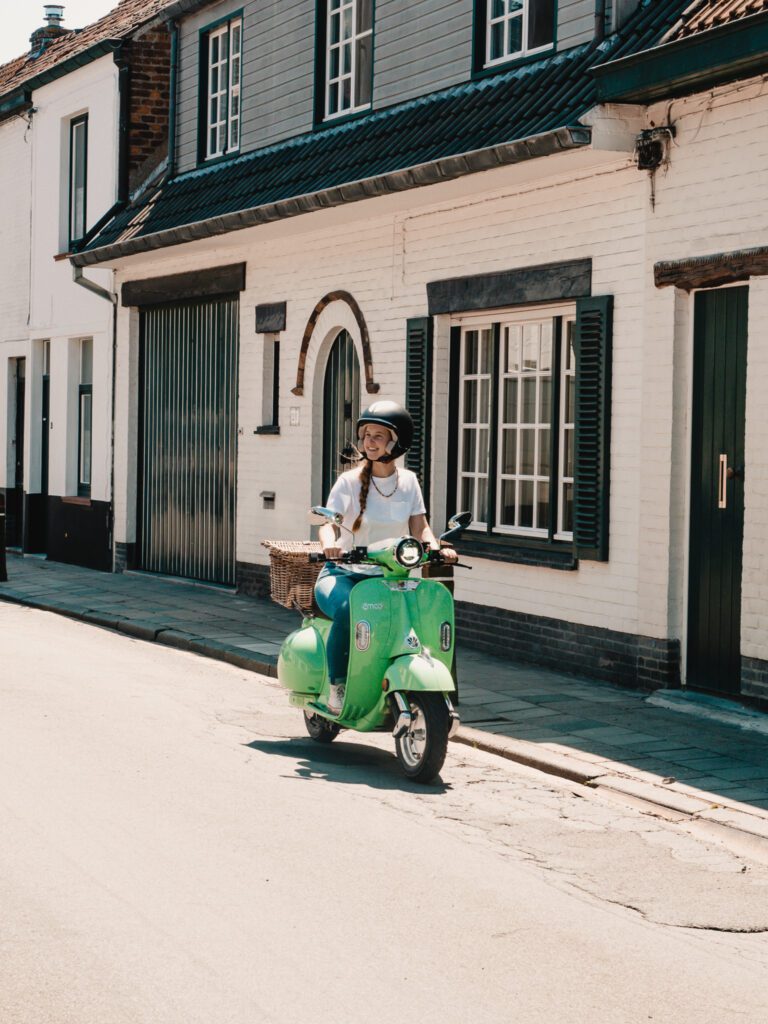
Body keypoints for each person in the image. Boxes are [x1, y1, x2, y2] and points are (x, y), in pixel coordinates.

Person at [315, 400, 458, 713]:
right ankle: (338, 685)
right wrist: (330, 545)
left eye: (378, 435)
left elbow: (420, 527)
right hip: (344, 575)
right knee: (345, 609)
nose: (369, 441)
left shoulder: (408, 482)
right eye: (366, 434)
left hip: (392, 578)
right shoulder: (348, 482)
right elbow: (328, 524)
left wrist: (436, 547)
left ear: (397, 442)